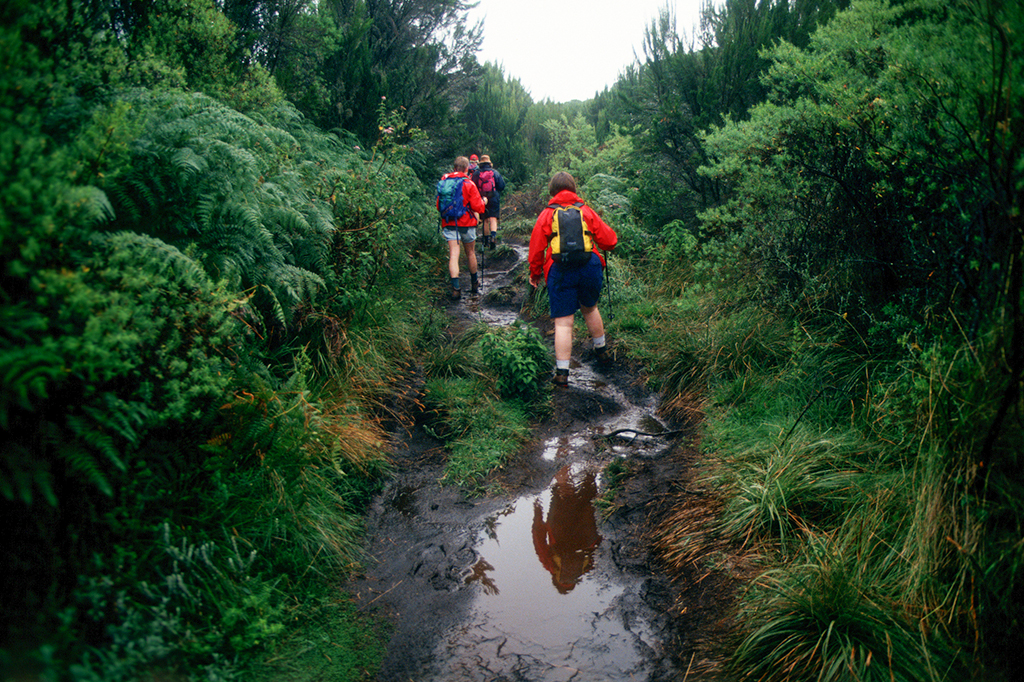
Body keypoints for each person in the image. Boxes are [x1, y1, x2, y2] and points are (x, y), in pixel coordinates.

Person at [528, 171, 617, 386]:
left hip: (560, 270)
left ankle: (562, 374)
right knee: (590, 308)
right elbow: (609, 240)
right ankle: (602, 352)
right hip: (590, 267)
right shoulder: (585, 211)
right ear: (573, 189)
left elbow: (536, 249)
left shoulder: (547, 215)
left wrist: (535, 274)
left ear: (552, 191)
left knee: (564, 323)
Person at [437, 156, 487, 300]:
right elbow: (478, 207)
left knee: (454, 254)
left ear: (454, 168)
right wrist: (484, 201)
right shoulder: (469, 183)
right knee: (470, 253)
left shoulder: (444, 182)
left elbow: (438, 205)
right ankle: (474, 284)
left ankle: (456, 289)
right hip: (467, 223)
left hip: (449, 222)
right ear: (467, 169)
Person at [472, 154, 506, 249]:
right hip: (494, 197)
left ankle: (486, 240)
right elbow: (502, 186)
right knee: (493, 218)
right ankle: (493, 237)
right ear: (489, 163)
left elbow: (472, 186)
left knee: (485, 219)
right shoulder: (495, 172)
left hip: (482, 197)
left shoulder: (476, 173)